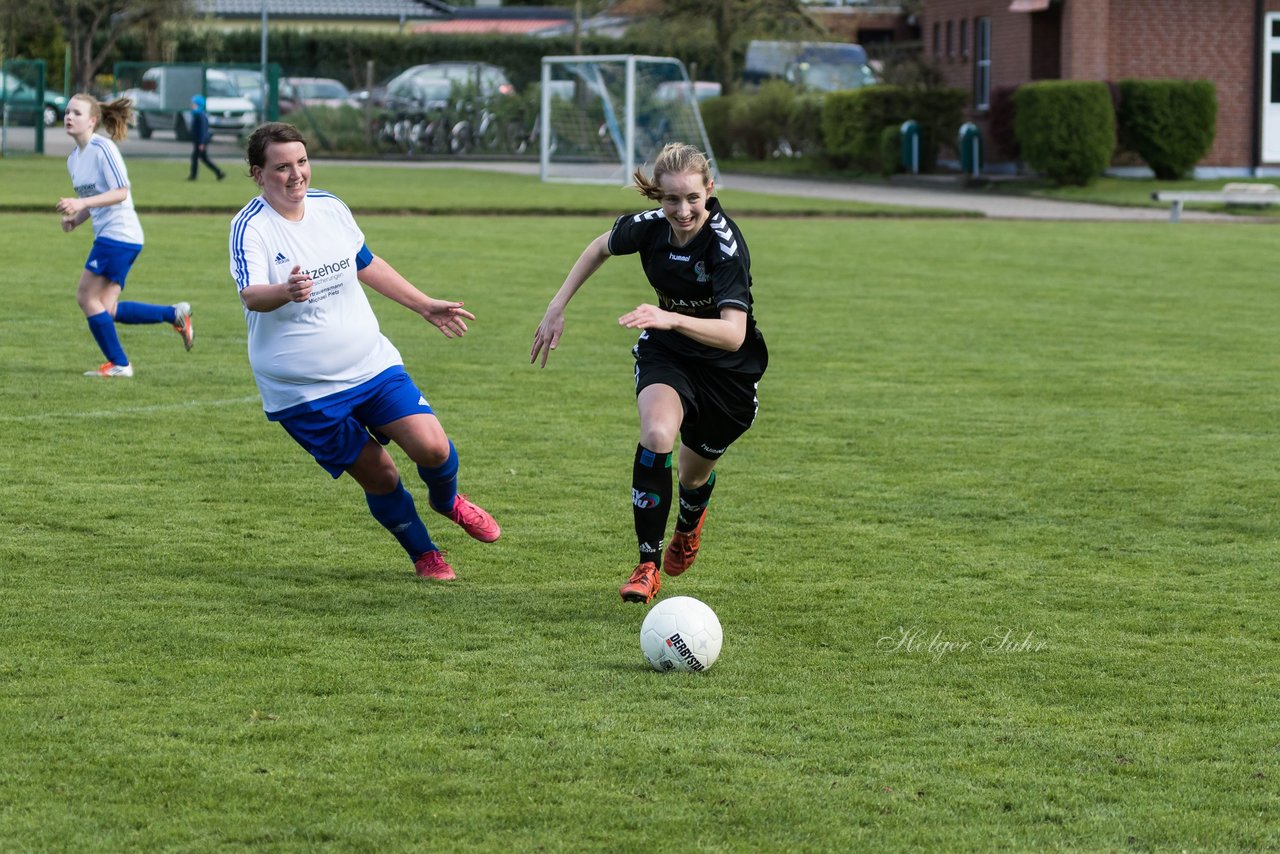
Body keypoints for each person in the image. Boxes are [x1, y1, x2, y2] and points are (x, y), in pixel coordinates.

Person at [228, 122, 500, 580]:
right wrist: (285, 290)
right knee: (382, 476)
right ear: (257, 173)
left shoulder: (330, 207)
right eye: (281, 167)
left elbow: (365, 263)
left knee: (433, 447)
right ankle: (424, 554)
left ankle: (446, 498)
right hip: (304, 392)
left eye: (302, 162)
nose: (296, 175)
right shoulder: (250, 227)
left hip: (370, 364)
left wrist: (423, 305)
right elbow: (251, 294)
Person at [531, 142, 768, 604]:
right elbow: (599, 246)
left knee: (694, 477)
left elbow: (734, 334)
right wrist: (556, 306)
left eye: (692, 199)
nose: (682, 210)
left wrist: (672, 317)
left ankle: (690, 522)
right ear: (658, 195)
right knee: (658, 435)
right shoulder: (650, 227)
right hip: (669, 353)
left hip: (728, 371)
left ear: (710, 190)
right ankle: (646, 564)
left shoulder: (725, 245)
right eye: (671, 199)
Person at [58, 93, 195, 378]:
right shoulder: (74, 159)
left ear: (93, 121)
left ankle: (120, 364)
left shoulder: (102, 147)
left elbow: (121, 192)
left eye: (77, 113)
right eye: (67, 111)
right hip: (114, 236)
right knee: (106, 307)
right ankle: (174, 314)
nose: (69, 117)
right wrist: (77, 219)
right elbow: (96, 197)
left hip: (119, 234)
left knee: (86, 296)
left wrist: (81, 204)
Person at [188, 95, 226, 181]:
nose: (191, 105)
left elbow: (202, 130)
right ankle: (218, 172)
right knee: (200, 158)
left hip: (201, 141)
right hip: (198, 141)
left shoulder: (200, 115)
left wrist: (201, 143)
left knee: (200, 158)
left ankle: (218, 172)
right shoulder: (196, 114)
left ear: (198, 104)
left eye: (193, 103)